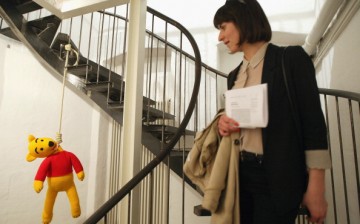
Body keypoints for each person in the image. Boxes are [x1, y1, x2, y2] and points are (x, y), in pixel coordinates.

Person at [213, 0, 332, 223]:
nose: (220, 37)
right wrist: (224, 125)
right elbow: (237, 126)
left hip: (277, 177)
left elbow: (314, 124)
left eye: (222, 27)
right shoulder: (233, 76)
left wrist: (317, 188)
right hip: (238, 178)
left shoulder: (292, 59)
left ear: (242, 20)